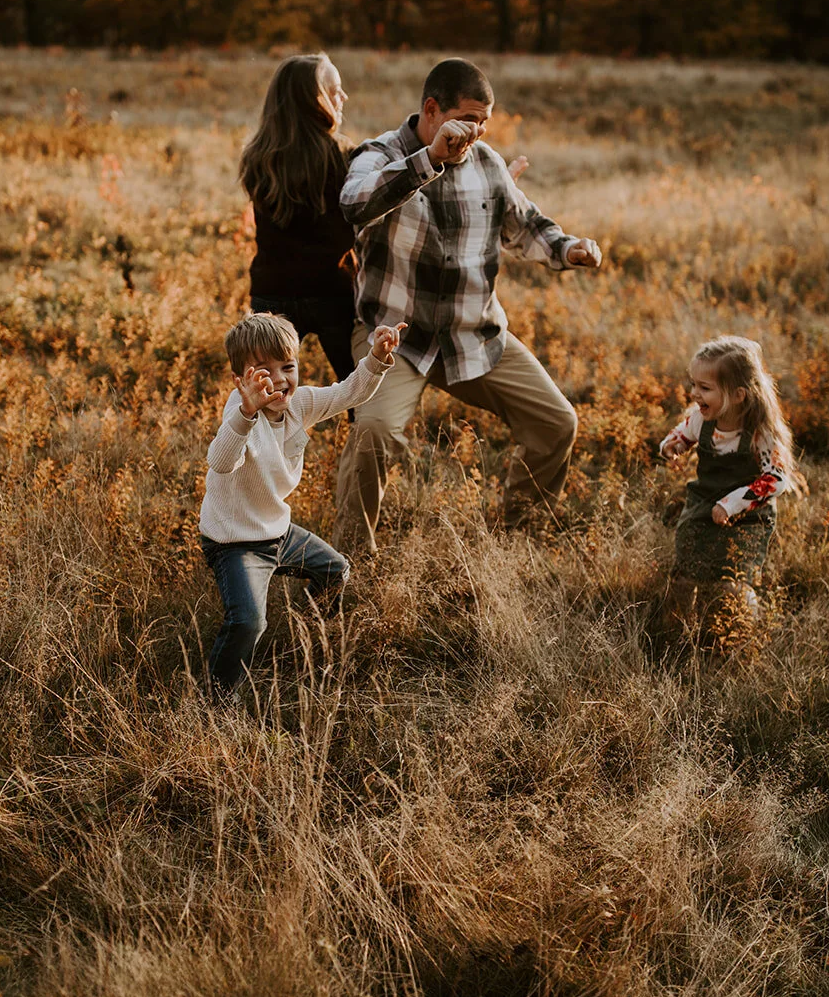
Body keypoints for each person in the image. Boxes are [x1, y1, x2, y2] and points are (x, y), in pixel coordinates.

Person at [332, 58, 602, 555]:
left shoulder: (487, 163)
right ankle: (346, 562)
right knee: (372, 431)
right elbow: (354, 202)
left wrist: (567, 248)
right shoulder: (378, 154)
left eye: (484, 123)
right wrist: (428, 159)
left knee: (557, 423)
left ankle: (516, 537)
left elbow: (524, 224)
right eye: (468, 119)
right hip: (394, 340)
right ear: (431, 110)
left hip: (474, 335)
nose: (476, 133)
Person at [199, 311, 405, 692]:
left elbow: (349, 392)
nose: (278, 380)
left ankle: (306, 634)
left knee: (335, 570)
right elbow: (221, 462)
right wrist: (246, 413)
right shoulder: (240, 412)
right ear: (240, 380)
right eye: (263, 371)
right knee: (248, 622)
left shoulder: (300, 403)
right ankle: (217, 699)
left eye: (287, 367)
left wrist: (376, 357)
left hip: (277, 529)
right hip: (235, 542)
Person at [660, 335, 800, 616]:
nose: (695, 394)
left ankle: (745, 629)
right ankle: (681, 625)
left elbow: (777, 477)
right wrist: (671, 445)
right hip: (703, 501)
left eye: (705, 388)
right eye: (694, 385)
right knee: (687, 571)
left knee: (734, 580)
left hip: (747, 515)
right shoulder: (701, 418)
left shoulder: (761, 433)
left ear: (738, 395)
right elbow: (683, 432)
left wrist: (733, 503)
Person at [241, 54, 357, 383]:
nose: (343, 97)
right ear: (314, 101)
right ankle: (361, 433)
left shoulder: (259, 156)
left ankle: (264, 436)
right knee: (358, 391)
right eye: (335, 90)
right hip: (333, 290)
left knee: (266, 391)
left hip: (273, 291)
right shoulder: (343, 156)